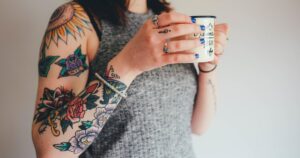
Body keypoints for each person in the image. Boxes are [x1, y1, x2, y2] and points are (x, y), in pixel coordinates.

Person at [31, 0, 229, 157]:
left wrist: (208, 67)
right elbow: (50, 152)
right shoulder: (74, 21)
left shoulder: (167, 20)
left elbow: (197, 126)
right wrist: (128, 64)